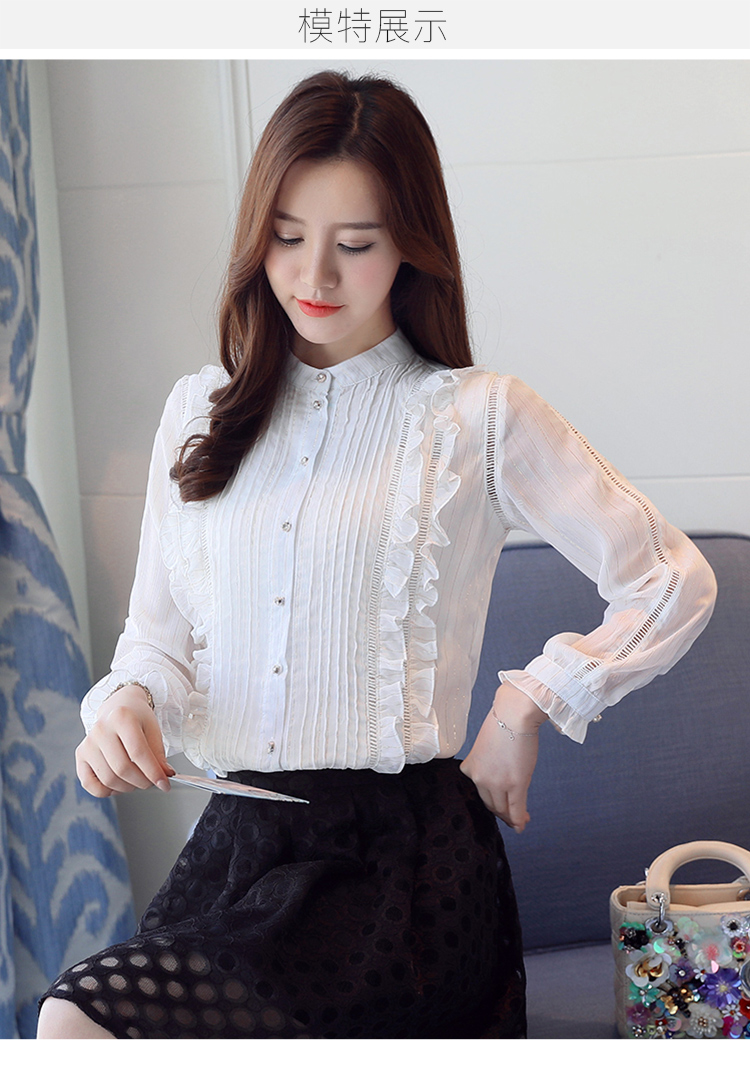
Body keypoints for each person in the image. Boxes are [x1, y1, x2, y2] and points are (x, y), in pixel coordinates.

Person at [37, 70, 716, 1040]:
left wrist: (527, 702)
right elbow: (155, 641)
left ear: (410, 246)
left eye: (354, 244)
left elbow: (672, 579)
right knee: (94, 1020)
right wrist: (126, 706)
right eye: (287, 236)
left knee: (76, 1019)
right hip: (235, 854)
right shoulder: (199, 411)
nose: (314, 276)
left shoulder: (478, 415)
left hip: (403, 875)